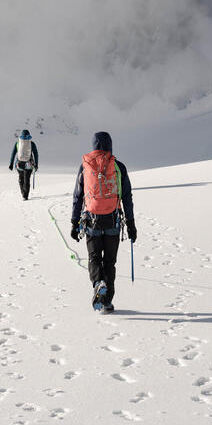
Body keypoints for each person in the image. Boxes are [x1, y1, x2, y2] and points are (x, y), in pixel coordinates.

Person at [70, 131, 137, 313]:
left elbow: (77, 196)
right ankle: (107, 302)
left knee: (94, 258)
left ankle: (98, 282)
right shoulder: (118, 167)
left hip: (92, 222)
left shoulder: (85, 167)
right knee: (109, 262)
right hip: (113, 221)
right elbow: (127, 197)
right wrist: (131, 224)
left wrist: (74, 222)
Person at [8, 129, 39, 200]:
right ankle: (25, 195)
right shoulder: (31, 143)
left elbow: (13, 154)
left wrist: (11, 164)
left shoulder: (18, 143)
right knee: (27, 179)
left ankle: (23, 193)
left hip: (20, 164)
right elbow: (36, 154)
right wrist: (36, 164)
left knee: (21, 179)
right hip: (29, 164)